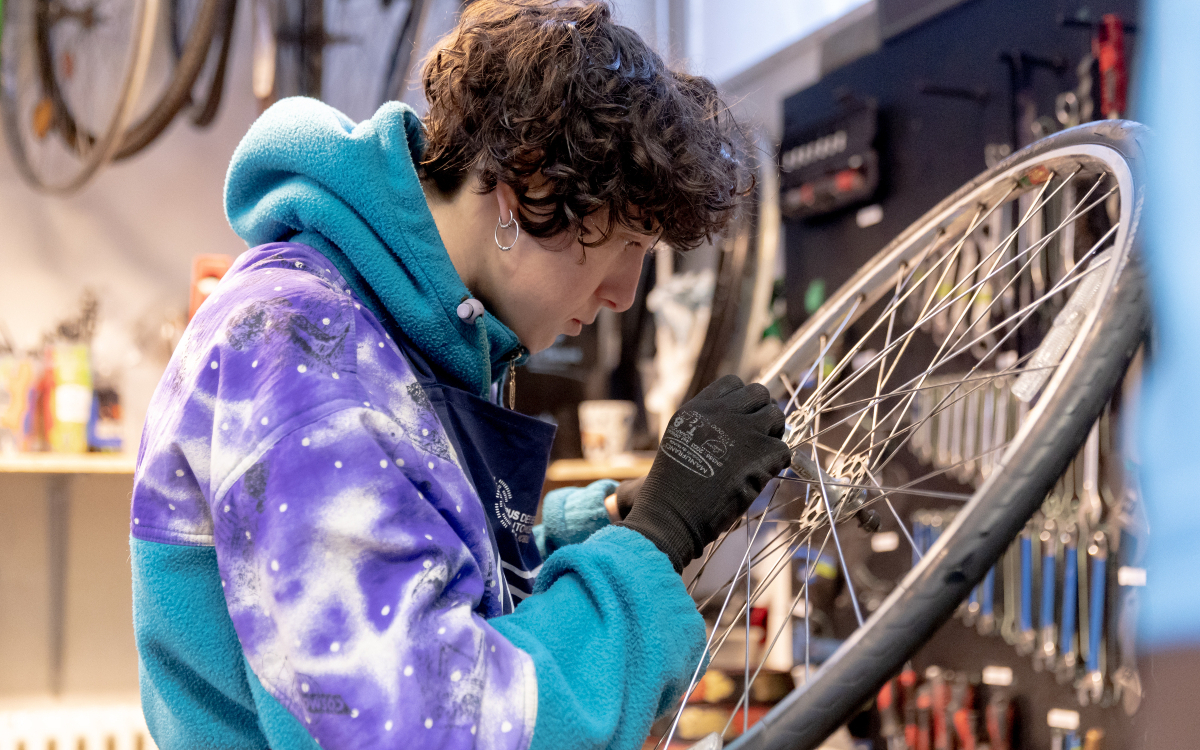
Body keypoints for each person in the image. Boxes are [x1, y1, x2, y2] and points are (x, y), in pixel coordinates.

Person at [129, 2, 791, 749]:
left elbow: (421, 578)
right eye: (629, 242)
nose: (624, 294)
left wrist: (611, 525)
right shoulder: (308, 353)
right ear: (522, 186)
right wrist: (659, 540)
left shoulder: (393, 330)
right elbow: (435, 727)